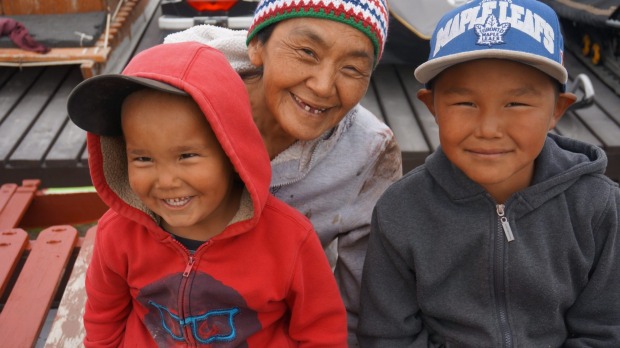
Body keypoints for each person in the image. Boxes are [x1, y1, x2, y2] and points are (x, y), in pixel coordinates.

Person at [358, 0, 620, 346]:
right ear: (431, 106)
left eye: (516, 103)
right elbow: (387, 336)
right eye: (465, 103)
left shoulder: (599, 206)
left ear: (557, 110)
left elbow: (605, 330)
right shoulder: (401, 212)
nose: (489, 128)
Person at [67, 41, 347, 347]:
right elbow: (103, 319)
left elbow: (322, 332)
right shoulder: (117, 233)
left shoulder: (290, 240)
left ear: (233, 154)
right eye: (143, 159)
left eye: (187, 156)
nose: (166, 180)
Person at [164, 0, 402, 344]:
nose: (323, 85)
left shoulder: (368, 152)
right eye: (307, 51)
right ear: (257, 45)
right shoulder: (178, 104)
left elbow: (359, 302)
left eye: (352, 69)